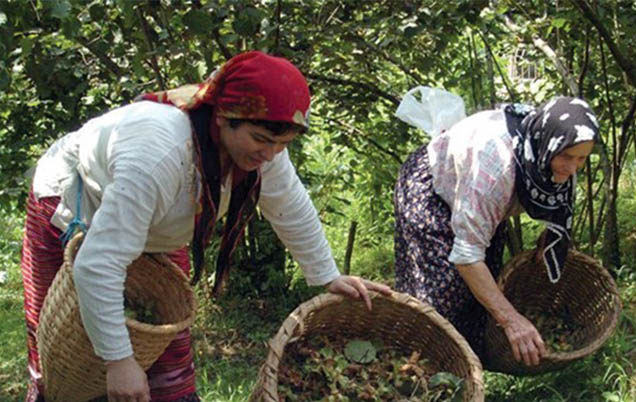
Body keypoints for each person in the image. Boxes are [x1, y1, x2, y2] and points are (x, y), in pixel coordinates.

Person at [20, 51, 391, 402]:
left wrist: (327, 275)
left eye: (282, 144)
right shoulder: (160, 156)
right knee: (67, 354)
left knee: (168, 355)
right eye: (261, 140)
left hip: (153, 227)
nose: (270, 154)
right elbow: (97, 264)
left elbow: (289, 205)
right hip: (74, 206)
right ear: (222, 116)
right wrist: (118, 361)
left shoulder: (265, 150)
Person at [393, 87, 599, 367]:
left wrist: (551, 238)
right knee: (441, 297)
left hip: (474, 197)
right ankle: (424, 370)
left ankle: (469, 366)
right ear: (549, 146)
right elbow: (467, 257)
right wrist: (512, 320)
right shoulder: (495, 170)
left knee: (482, 292)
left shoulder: (550, 147)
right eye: (567, 157)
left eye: (582, 158)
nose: (573, 168)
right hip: (432, 192)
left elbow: (558, 204)